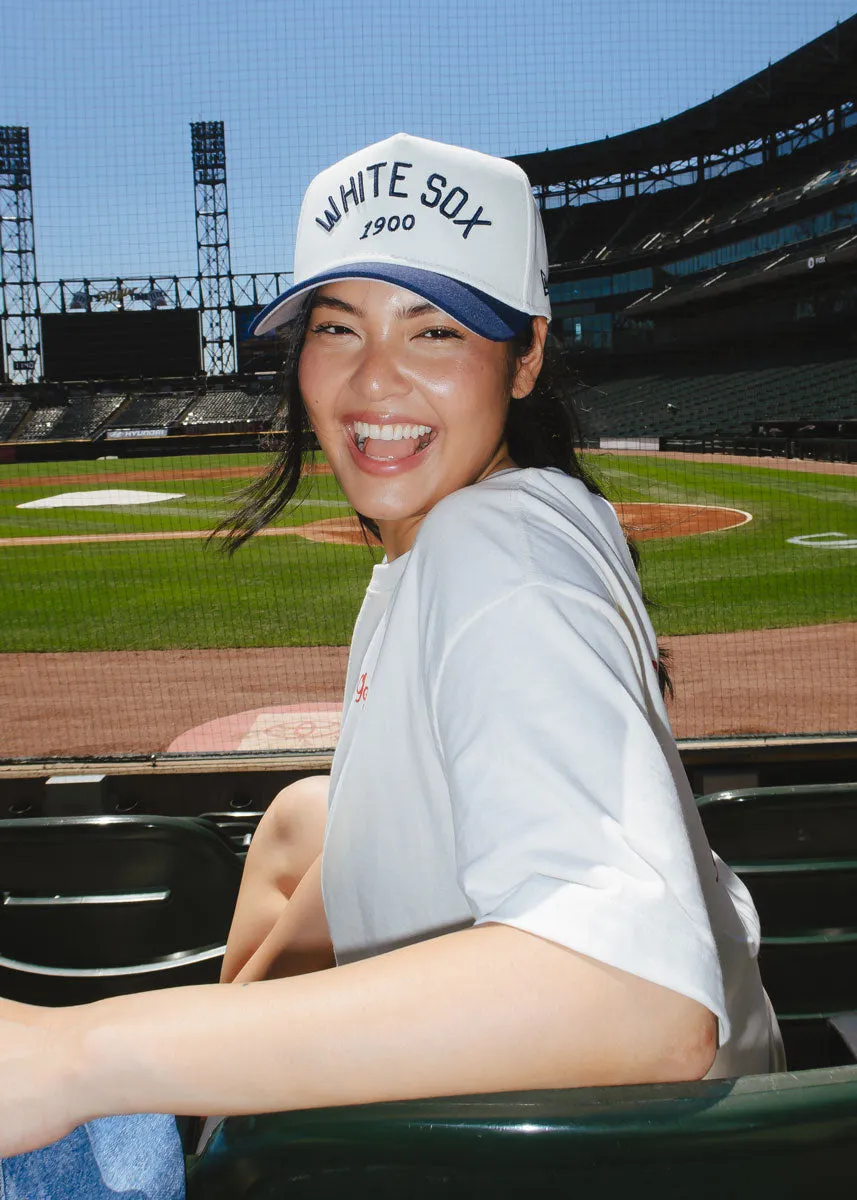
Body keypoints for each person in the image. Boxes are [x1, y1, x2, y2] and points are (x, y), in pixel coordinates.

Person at [0, 133, 783, 1197]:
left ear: (525, 354)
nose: (373, 378)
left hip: (584, 1158)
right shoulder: (470, 533)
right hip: (614, 1144)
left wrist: (80, 1055)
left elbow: (639, 1005)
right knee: (305, 815)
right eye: (337, 328)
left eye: (433, 328)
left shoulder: (493, 551)